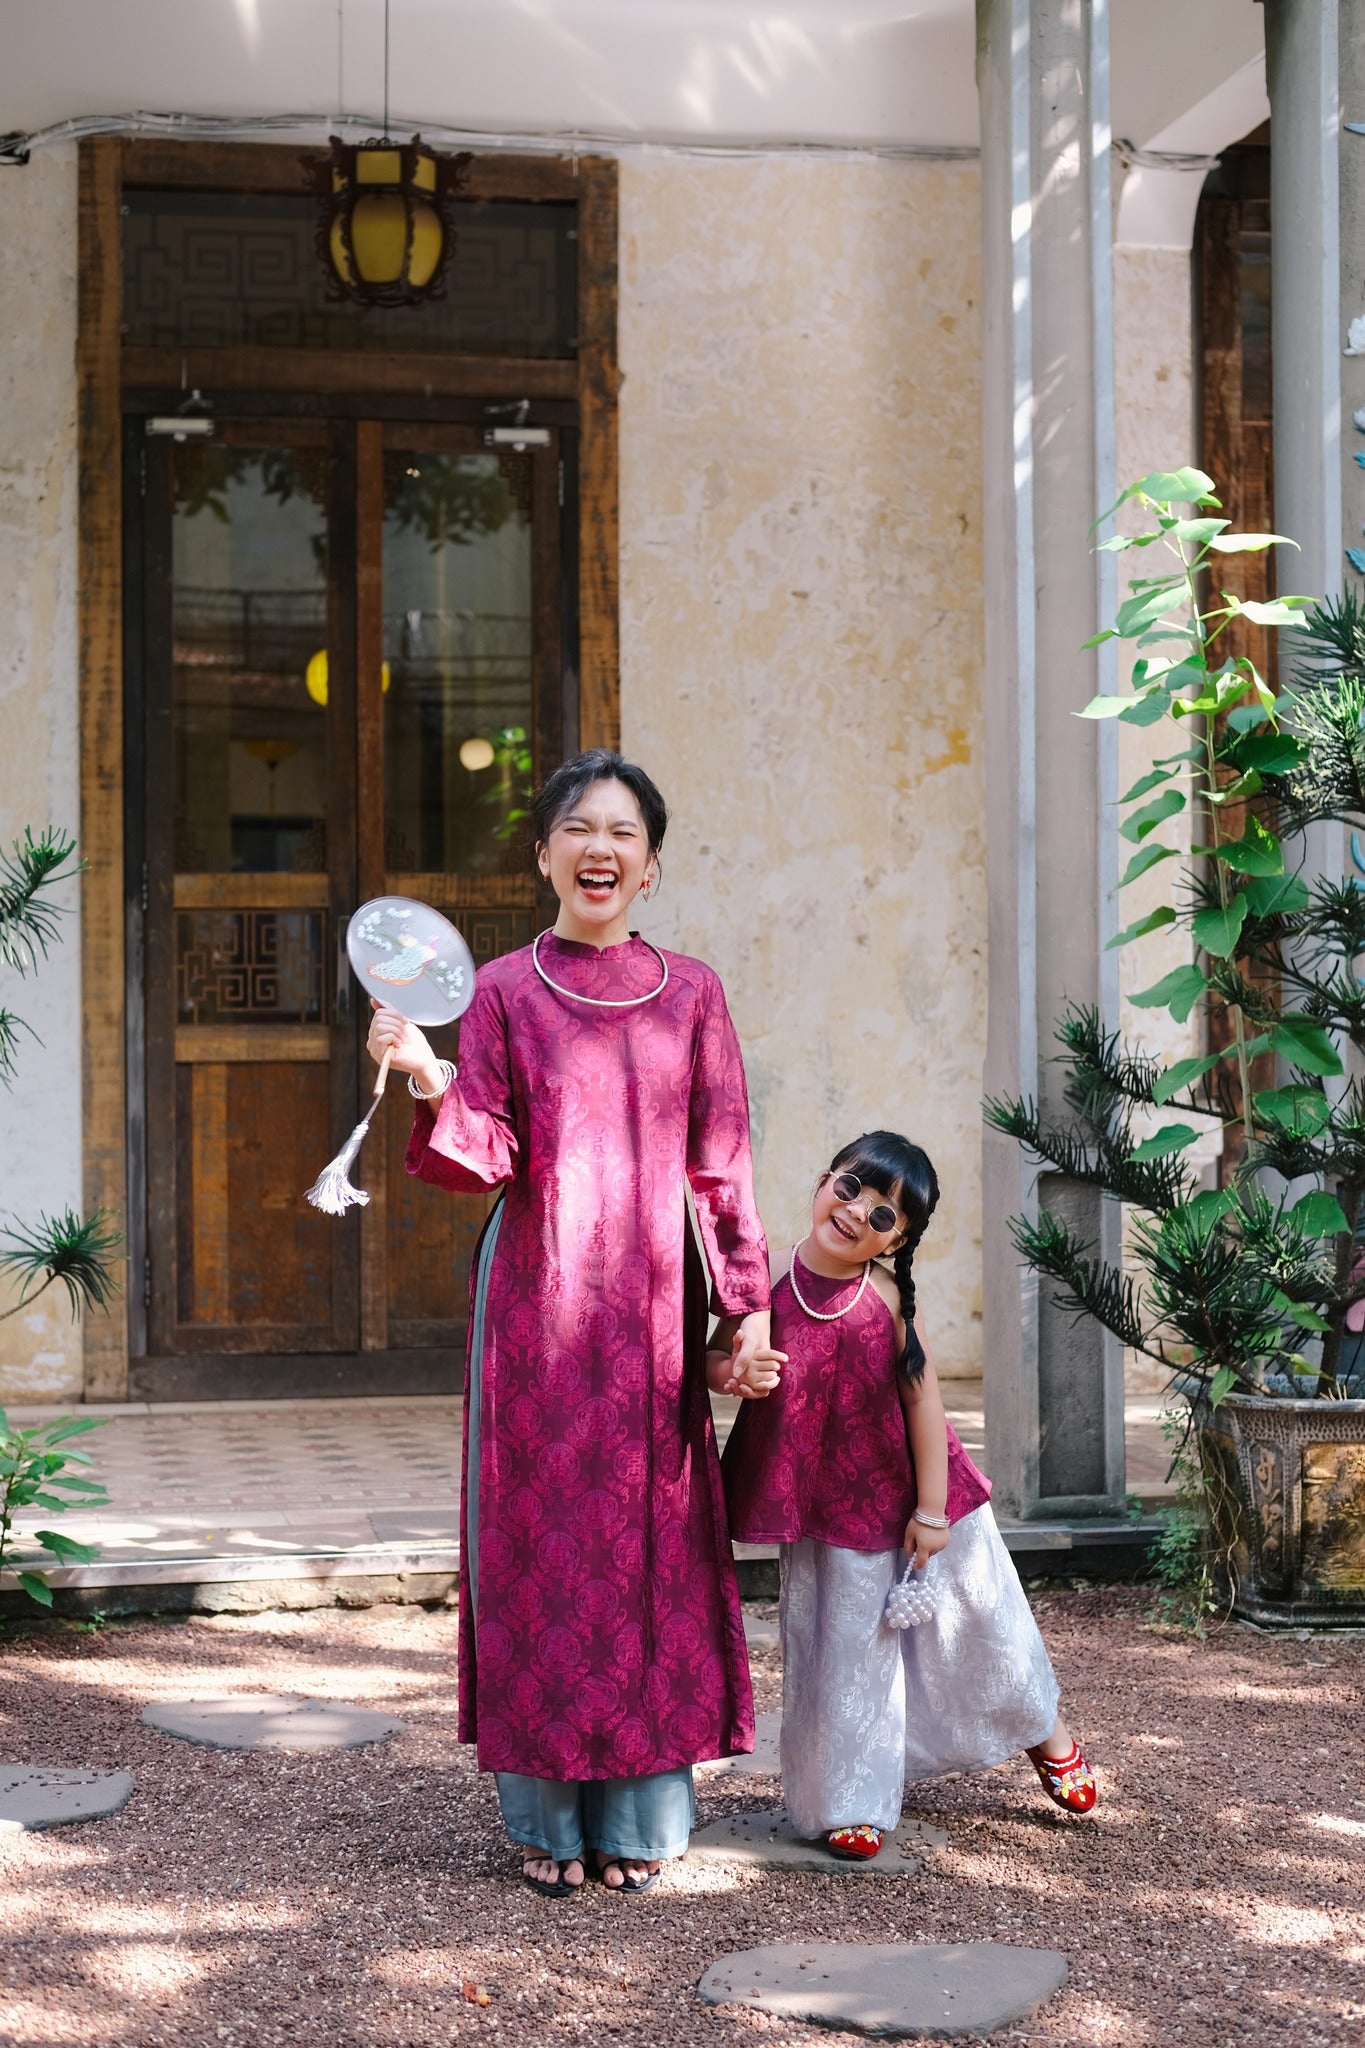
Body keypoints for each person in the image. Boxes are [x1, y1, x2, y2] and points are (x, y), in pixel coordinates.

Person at [367, 750, 774, 1898]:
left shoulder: (692, 992)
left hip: (652, 1307)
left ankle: (641, 1816)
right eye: (578, 829)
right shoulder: (501, 989)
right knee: (542, 1549)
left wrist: (741, 1306)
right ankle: (547, 1819)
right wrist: (432, 1077)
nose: (601, 848)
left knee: (649, 1549)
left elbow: (722, 1163)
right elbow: (486, 1154)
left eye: (625, 832)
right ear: (543, 852)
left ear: (651, 865)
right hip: (537, 1298)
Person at [714, 1130, 1097, 1860]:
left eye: (885, 1215)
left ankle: (1046, 1734)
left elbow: (924, 1407)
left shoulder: (886, 1301)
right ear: (824, 1180)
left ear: (898, 1241)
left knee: (985, 1625)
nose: (859, 1213)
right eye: (852, 1188)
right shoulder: (761, 1283)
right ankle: (849, 1800)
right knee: (843, 1647)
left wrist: (931, 1512)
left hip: (926, 1497)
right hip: (832, 1506)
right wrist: (732, 1372)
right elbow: (710, 1354)